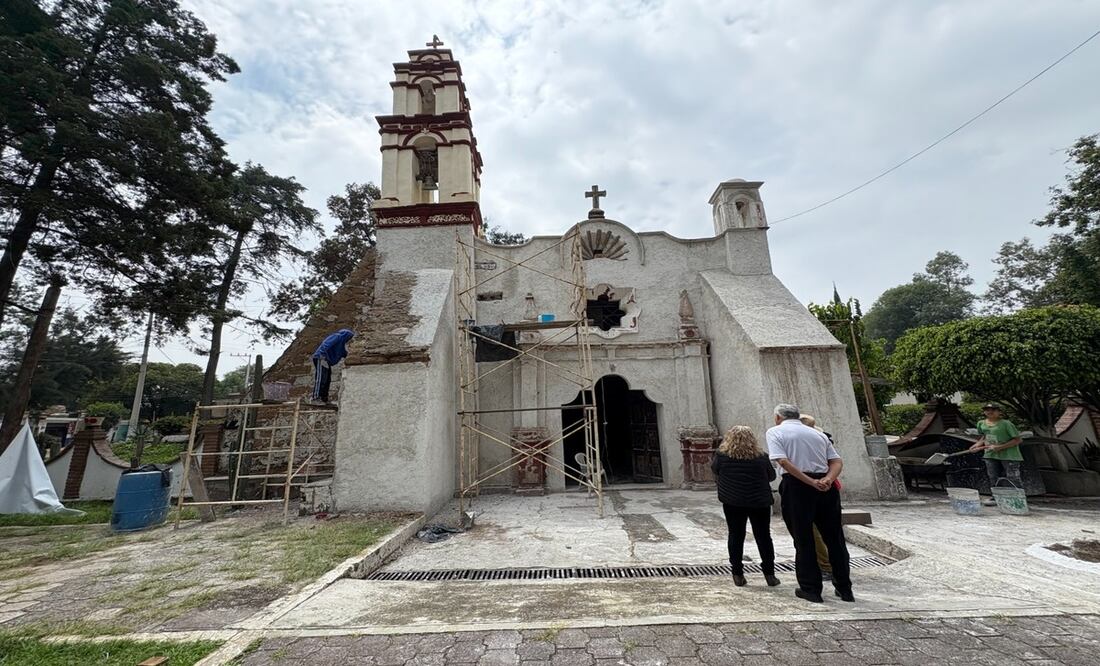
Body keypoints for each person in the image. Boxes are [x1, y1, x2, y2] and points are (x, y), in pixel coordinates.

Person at [766, 403, 854, 604]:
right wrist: (827, 480)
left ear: (778, 417)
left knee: (803, 539)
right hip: (826, 487)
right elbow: (836, 461)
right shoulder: (818, 434)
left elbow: (783, 462)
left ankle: (811, 589)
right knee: (835, 539)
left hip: (797, 486)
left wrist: (810, 481)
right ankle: (845, 589)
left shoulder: (775, 432)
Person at [711, 425, 780, 588]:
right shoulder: (761, 457)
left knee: (735, 535)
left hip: (733, 501)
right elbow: (771, 476)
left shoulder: (721, 456)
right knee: (763, 536)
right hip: (759, 501)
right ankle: (770, 574)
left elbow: (716, 471)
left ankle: (738, 574)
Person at [799, 414, 833, 583]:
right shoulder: (822, 438)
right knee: (826, 528)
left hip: (811, 486)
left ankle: (825, 565)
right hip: (826, 485)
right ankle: (833, 564)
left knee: (813, 529)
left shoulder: (811, 441)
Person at [969, 403, 1023, 505]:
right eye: (987, 410)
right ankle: (996, 497)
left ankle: (1018, 499)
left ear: (999, 412)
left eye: (993, 410)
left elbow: (1018, 440)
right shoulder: (981, 423)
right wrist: (977, 445)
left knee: (1012, 477)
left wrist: (1000, 447)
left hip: (1009, 455)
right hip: (990, 454)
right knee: (993, 476)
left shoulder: (1006, 424)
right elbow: (985, 437)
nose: (990, 412)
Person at [311, 329, 355, 404]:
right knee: (321, 378)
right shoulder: (337, 336)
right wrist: (322, 355)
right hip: (321, 357)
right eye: (349, 337)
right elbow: (326, 344)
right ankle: (316, 398)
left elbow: (344, 354)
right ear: (346, 335)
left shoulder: (341, 345)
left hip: (326, 361)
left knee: (327, 379)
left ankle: (324, 399)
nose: (349, 340)